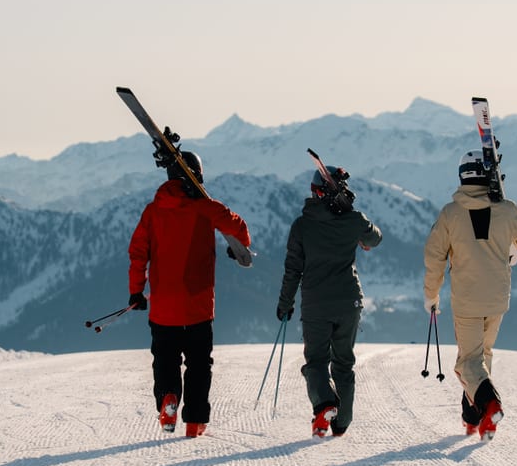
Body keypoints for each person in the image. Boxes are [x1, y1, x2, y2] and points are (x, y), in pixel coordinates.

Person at [128, 151, 251, 437]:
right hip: (198, 305)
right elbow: (239, 228)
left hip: (163, 306)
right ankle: (194, 422)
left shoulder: (153, 210)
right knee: (199, 364)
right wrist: (238, 248)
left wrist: (136, 291)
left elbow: (137, 254)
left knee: (165, 360)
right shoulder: (207, 208)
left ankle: (168, 399)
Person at [423, 150, 517, 440]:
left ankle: (490, 405)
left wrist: (431, 294)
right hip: (498, 298)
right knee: (481, 357)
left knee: (467, 363)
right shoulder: (507, 208)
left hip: (467, 300)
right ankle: (474, 417)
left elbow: (435, 256)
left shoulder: (451, 213)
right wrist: (512, 229)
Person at [277, 163, 382, 438]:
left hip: (316, 305)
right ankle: (342, 422)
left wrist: (285, 303)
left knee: (316, 361)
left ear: (314, 192)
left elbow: (293, 270)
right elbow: (375, 237)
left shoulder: (301, 226)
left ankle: (324, 404)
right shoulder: (353, 220)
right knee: (344, 363)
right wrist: (354, 217)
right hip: (349, 302)